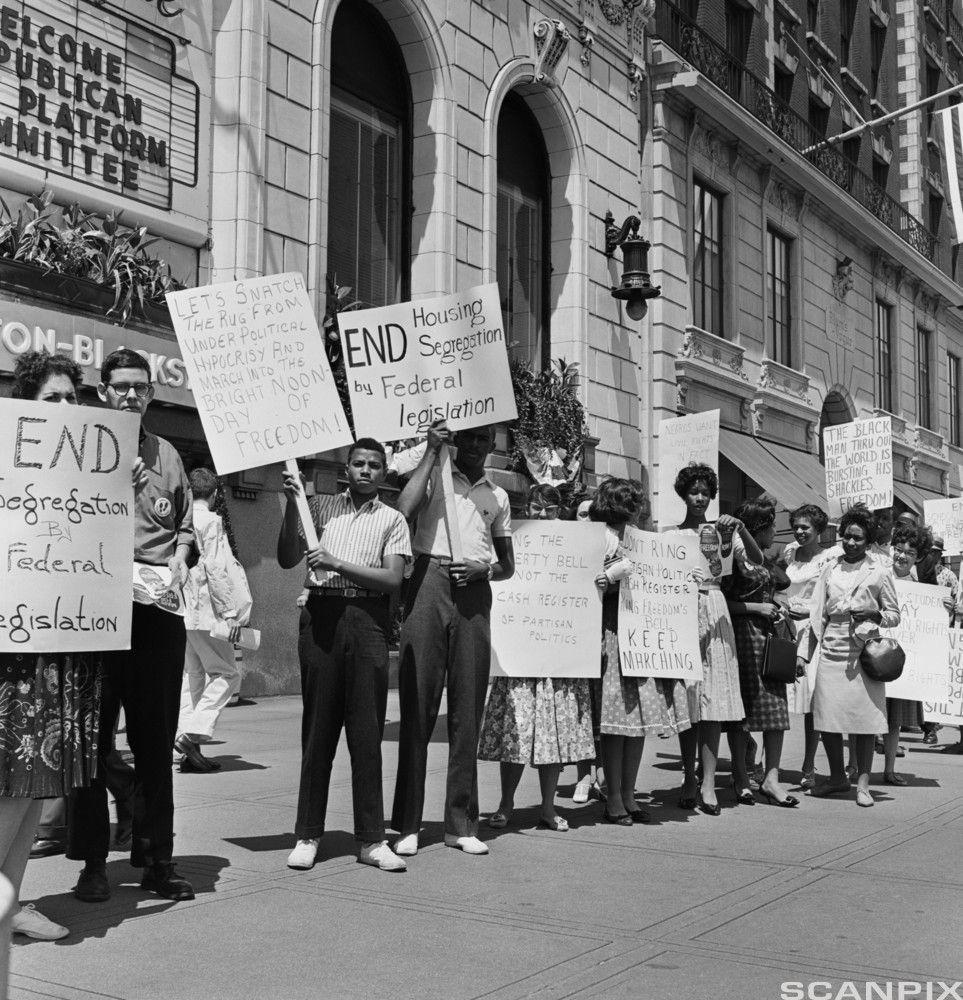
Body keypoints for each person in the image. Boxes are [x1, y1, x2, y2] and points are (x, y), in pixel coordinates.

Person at [69, 349, 196, 902]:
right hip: (93, 608)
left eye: (140, 388)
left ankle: (156, 859)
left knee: (154, 739)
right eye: (120, 387)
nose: (130, 396)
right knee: (92, 745)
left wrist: (182, 558)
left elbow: (185, 523)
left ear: (150, 394)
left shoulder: (167, 454)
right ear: (103, 392)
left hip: (155, 612)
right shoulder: (75, 448)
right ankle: (94, 863)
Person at [0, 352, 108, 939]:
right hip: (17, 656)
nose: (67, 409)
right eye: (53, 400)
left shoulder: (95, 473)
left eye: (73, 398)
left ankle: (11, 904)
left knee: (44, 783)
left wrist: (124, 492)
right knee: (15, 783)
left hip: (68, 651)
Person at [277, 440, 411, 872]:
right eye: (358, 464)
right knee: (318, 729)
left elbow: (392, 579)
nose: (366, 471)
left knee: (366, 732)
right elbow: (286, 557)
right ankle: (308, 833)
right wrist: (290, 505)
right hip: (321, 614)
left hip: (368, 618)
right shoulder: (318, 509)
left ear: (385, 471)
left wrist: (337, 562)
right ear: (346, 468)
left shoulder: (393, 519)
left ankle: (371, 839)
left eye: (374, 465)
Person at [391, 422, 515, 857]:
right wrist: (431, 450)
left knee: (467, 709)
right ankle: (407, 824)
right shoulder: (434, 477)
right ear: (457, 440)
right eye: (470, 437)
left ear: (493, 445)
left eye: (485, 439)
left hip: (475, 590)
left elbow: (507, 566)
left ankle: (461, 823)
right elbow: (404, 510)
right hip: (428, 578)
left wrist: (486, 571)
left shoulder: (496, 497)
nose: (477, 446)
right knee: (418, 703)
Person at [479, 485, 595, 832]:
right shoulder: (511, 539)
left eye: (550, 508)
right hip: (519, 655)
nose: (543, 515)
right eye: (536, 507)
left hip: (559, 657)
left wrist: (602, 581)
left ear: (561, 510)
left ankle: (547, 807)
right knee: (513, 737)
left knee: (553, 738)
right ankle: (505, 804)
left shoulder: (579, 542)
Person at [589, 479, 690, 825]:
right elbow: (584, 581)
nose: (632, 510)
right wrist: (606, 578)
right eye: (627, 503)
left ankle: (629, 794)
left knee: (635, 723)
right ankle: (613, 795)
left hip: (640, 636)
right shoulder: (597, 535)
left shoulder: (640, 539)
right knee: (616, 726)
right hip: (612, 634)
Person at [673, 463, 763, 815]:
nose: (699, 497)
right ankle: (688, 778)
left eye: (705, 492)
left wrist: (741, 527)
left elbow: (756, 561)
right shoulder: (672, 535)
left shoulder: (723, 533)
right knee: (687, 700)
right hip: (681, 614)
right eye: (693, 492)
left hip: (713, 607)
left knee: (710, 701)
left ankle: (708, 781)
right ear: (683, 495)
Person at [804, 505, 900, 807]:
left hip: (864, 650)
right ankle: (836, 777)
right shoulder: (830, 568)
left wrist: (876, 614)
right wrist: (804, 654)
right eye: (846, 536)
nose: (850, 542)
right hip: (832, 646)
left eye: (857, 538)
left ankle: (863, 784)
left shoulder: (879, 570)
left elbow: (895, 615)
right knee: (827, 715)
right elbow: (817, 613)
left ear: (868, 540)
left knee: (866, 718)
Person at [174, 468, 250, 773]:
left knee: (192, 677)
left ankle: (186, 748)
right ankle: (191, 735)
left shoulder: (179, 520)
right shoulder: (212, 521)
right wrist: (230, 612)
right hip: (207, 609)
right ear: (216, 494)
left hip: (183, 609)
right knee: (227, 673)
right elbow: (217, 569)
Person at [724, 499, 798, 807]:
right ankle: (741, 775)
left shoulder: (762, 558)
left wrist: (780, 608)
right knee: (743, 710)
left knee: (775, 709)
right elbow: (720, 599)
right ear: (759, 529)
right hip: (743, 636)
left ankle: (771, 778)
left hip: (768, 635)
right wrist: (757, 607)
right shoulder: (733, 556)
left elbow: (775, 586)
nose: (774, 531)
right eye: (769, 526)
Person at [778, 505, 841, 789]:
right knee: (779, 697)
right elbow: (779, 584)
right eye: (797, 526)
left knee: (811, 700)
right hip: (785, 628)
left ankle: (808, 763)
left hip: (812, 631)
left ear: (819, 530)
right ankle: (767, 763)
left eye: (806, 527)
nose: (801, 532)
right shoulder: (788, 553)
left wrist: (812, 615)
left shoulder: (828, 558)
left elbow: (830, 595)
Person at [882, 523, 929, 786]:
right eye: (898, 550)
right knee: (864, 714)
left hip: (900, 660)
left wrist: (941, 606)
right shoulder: (880, 574)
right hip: (875, 653)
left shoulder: (919, 585)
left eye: (908, 553)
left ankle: (889, 769)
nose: (901, 556)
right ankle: (853, 765)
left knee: (894, 722)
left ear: (917, 557)